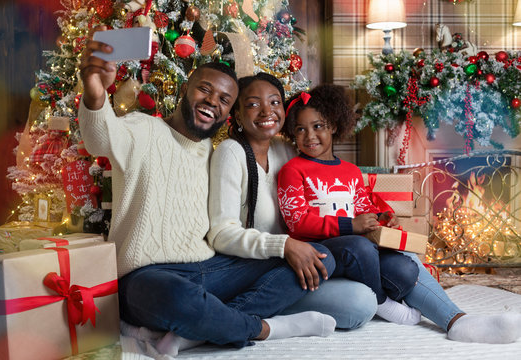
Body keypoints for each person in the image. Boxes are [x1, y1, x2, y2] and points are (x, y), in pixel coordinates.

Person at [78, 28, 336, 357]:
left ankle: (200, 329)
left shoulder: (217, 154)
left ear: (230, 113)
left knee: (317, 257)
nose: (213, 101)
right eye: (205, 90)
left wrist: (286, 243)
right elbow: (100, 137)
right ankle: (263, 328)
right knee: (177, 299)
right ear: (186, 90)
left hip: (209, 269)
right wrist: (95, 93)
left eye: (225, 100)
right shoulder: (144, 129)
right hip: (146, 276)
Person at [277, 83, 521, 343]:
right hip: (322, 253)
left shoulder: (349, 171)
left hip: (359, 247)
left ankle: (458, 321)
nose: (309, 135)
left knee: (404, 267)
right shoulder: (292, 170)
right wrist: (351, 225)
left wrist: (380, 216)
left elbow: (362, 206)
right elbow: (297, 221)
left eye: (318, 126)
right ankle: (382, 302)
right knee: (360, 247)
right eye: (300, 129)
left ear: (334, 126)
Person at [208, 73, 378, 330]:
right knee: (359, 304)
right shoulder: (230, 152)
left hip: (295, 263)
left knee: (365, 294)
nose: (267, 111)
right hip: (252, 267)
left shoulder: (285, 150)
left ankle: (277, 312)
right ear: (238, 115)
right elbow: (221, 235)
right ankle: (223, 321)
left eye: (275, 102)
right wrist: (284, 245)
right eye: (253, 104)